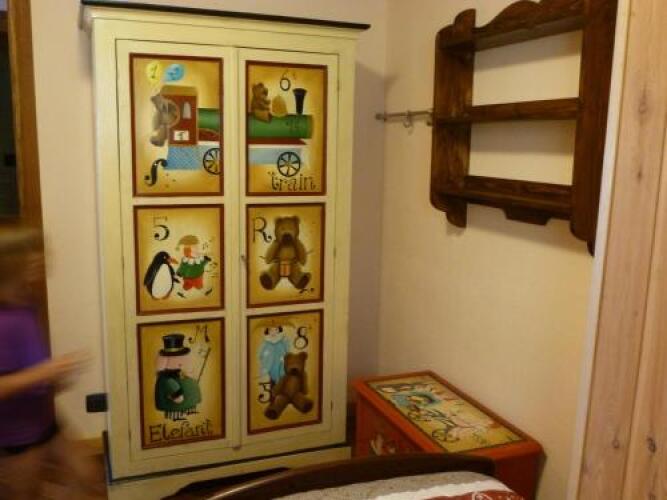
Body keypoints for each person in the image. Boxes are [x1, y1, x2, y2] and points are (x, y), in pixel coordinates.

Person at [0, 226, 104, 499]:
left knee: (88, 477)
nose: (43, 259)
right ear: (11, 263)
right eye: (33, 254)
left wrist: (53, 379)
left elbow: (24, 362)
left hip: (47, 422)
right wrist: (44, 372)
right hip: (16, 439)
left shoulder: (27, 303)